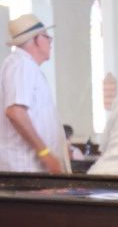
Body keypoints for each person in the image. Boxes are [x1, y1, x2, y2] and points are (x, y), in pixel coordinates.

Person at [0, 14, 70, 173]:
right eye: (47, 37)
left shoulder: (26, 66)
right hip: (23, 169)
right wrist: (45, 154)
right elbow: (15, 112)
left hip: (32, 169)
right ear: (36, 39)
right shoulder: (21, 64)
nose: (50, 42)